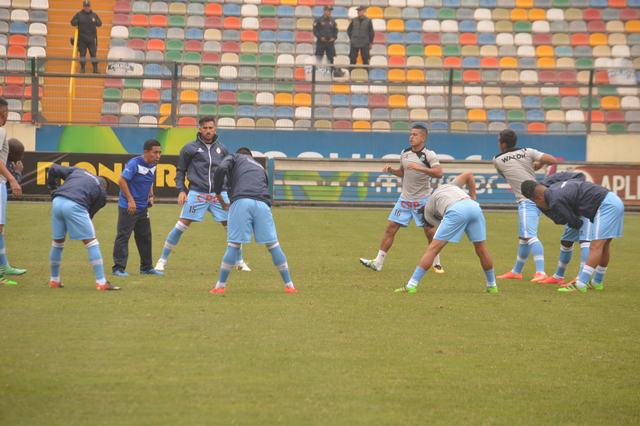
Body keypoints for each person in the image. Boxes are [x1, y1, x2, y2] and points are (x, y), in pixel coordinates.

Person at [154, 117, 250, 272]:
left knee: (232, 227)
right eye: (205, 128)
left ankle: (239, 262)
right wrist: (181, 190)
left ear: (215, 129)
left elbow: (228, 172)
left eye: (210, 128)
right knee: (180, 225)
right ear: (199, 129)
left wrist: (231, 192)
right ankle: (162, 260)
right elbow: (180, 171)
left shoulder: (222, 149)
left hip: (219, 195)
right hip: (197, 193)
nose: (208, 131)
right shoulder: (189, 148)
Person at [210, 148, 296, 294]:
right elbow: (265, 186)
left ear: (240, 154)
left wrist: (217, 190)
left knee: (233, 244)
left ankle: (220, 286)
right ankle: (290, 285)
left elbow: (221, 168)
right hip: (262, 204)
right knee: (273, 245)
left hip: (242, 201)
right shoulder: (260, 166)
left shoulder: (235, 157)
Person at [360, 124, 444, 273]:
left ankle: (436, 262)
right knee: (390, 228)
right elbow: (403, 172)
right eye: (410, 134)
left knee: (430, 232)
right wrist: (392, 170)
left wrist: (420, 168)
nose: (411, 137)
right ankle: (378, 262)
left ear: (423, 137)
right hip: (405, 200)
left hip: (422, 201)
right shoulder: (405, 153)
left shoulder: (429, 155)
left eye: (415, 135)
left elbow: (439, 173)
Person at [395, 172, 498, 294]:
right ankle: (492, 286)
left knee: (432, 249)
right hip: (474, 207)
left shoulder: (427, 213)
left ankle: (411, 285)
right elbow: (469, 175)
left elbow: (437, 228)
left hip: (455, 210)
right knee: (481, 249)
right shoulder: (448, 186)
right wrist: (474, 196)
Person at [521, 175, 624, 293]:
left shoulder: (555, 201)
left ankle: (581, 283)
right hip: (613, 200)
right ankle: (597, 282)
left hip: (605, 206)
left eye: (535, 202)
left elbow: (576, 223)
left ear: (538, 198)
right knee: (604, 246)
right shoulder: (555, 186)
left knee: (596, 246)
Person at [493, 129, 557, 282]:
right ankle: (516, 271)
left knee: (530, 236)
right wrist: (539, 162)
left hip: (526, 200)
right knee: (524, 237)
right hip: (537, 198)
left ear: (502, 144)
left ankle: (541, 272)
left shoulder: (497, 160)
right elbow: (552, 160)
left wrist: (530, 166)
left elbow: (509, 173)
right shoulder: (528, 151)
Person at [47, 164, 119, 291]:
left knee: (57, 243)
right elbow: (89, 215)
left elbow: (53, 168)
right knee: (91, 242)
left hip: (57, 201)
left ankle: (54, 280)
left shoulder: (79, 171)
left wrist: (52, 188)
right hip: (76, 204)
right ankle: (101, 282)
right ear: (105, 186)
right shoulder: (101, 192)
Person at [112, 139, 163, 277]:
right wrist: (130, 201)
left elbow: (149, 180)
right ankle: (118, 268)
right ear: (146, 152)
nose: (158, 156)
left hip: (142, 207)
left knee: (145, 237)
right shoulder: (134, 164)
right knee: (123, 236)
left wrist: (150, 195)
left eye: (159, 152)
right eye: (155, 152)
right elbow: (121, 181)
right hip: (129, 207)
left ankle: (146, 268)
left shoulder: (153, 164)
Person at [537, 172, 591, 285]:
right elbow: (559, 220)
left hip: (585, 203)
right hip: (572, 211)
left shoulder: (552, 182)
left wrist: (570, 188)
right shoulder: (543, 200)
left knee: (585, 241)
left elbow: (580, 175)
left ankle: (581, 278)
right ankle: (558, 276)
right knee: (566, 241)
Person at [0, 98, 26, 285]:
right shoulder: (0, 131)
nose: (7, 116)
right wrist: (12, 178)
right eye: (6, 113)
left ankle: (4, 265)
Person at [71, 0, 102, 73]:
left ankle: (95, 69)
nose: (86, 8)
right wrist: (77, 21)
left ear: (90, 6)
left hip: (92, 39)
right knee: (82, 55)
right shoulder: (79, 14)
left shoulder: (94, 15)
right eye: (85, 6)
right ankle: (82, 68)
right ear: (83, 7)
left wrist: (96, 21)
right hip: (82, 39)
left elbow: (100, 24)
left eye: (88, 6)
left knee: (93, 54)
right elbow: (72, 22)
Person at [313, 6, 343, 77]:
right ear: (324, 11)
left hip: (330, 43)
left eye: (330, 11)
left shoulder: (333, 21)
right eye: (328, 10)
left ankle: (331, 74)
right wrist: (320, 37)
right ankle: (318, 74)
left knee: (331, 59)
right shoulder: (318, 20)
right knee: (319, 58)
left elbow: (336, 30)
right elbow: (315, 31)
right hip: (321, 43)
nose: (329, 12)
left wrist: (334, 37)